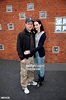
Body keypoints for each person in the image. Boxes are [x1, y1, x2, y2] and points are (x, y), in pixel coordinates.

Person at [17, 18, 37, 94]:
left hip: (32, 56)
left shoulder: (32, 33)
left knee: (31, 70)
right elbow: (18, 47)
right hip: (25, 58)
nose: (30, 25)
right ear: (25, 24)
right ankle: (24, 86)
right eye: (28, 23)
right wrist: (21, 58)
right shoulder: (21, 34)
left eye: (31, 24)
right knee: (24, 72)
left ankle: (30, 81)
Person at [24, 19, 46, 87]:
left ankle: (41, 80)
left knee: (40, 67)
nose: (35, 26)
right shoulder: (35, 33)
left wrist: (30, 51)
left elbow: (39, 46)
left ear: (40, 25)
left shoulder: (43, 34)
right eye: (34, 25)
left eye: (37, 25)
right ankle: (39, 78)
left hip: (40, 53)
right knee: (37, 67)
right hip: (35, 53)